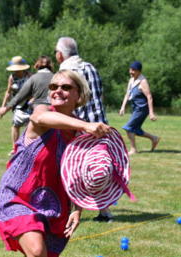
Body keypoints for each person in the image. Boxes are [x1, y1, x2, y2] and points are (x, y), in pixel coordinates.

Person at [0, 70, 111, 257]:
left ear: (78, 96)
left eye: (66, 87)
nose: (57, 90)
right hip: (17, 196)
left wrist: (77, 208)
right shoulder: (43, 116)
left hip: (53, 204)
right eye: (54, 86)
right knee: (35, 250)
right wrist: (86, 126)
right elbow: (41, 116)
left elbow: (77, 174)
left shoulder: (79, 132)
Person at [55, 36, 113, 222]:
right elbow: (100, 95)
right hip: (100, 124)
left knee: (72, 167)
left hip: (80, 125)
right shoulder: (90, 67)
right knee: (97, 168)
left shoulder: (66, 71)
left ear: (60, 55)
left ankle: (68, 210)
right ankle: (105, 213)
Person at [0, 56, 54, 154]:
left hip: (34, 107)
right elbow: (10, 92)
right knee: (18, 125)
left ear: (37, 66)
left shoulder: (33, 77)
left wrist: (6, 108)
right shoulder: (55, 76)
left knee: (32, 129)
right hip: (52, 110)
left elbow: (20, 96)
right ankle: (19, 148)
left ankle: (29, 149)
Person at [119, 61, 160, 155]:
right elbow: (127, 94)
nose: (131, 72)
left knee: (128, 128)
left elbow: (149, 97)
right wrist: (123, 107)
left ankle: (133, 150)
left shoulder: (143, 81)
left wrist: (151, 113)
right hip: (136, 109)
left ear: (139, 71)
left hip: (142, 109)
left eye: (134, 70)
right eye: (130, 69)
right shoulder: (131, 80)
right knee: (136, 130)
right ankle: (154, 138)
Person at [0, 56, 31, 155]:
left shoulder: (29, 76)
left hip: (29, 104)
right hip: (17, 104)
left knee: (30, 126)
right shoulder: (12, 77)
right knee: (15, 125)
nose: (16, 71)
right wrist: (3, 106)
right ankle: (15, 148)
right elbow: (8, 92)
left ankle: (29, 146)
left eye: (18, 69)